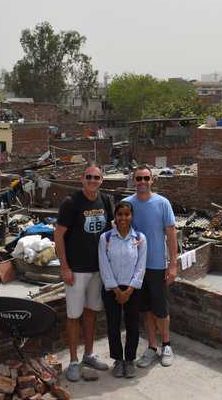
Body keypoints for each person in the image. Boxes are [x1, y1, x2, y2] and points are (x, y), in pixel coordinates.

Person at [54, 163, 113, 381]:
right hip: (76, 271)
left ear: (101, 180)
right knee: (73, 316)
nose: (92, 181)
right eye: (89, 177)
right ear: (81, 179)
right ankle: (73, 361)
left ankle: (89, 354)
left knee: (91, 313)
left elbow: (109, 233)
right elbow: (58, 235)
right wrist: (64, 267)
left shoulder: (106, 200)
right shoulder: (71, 203)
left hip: (98, 269)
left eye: (96, 177)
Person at [123, 165, 178, 369]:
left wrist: (172, 264)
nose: (142, 182)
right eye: (139, 179)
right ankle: (152, 347)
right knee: (145, 309)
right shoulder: (127, 204)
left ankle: (166, 345)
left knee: (161, 309)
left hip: (156, 265)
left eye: (146, 178)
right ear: (133, 180)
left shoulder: (162, 203)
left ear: (152, 180)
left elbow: (171, 234)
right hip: (136, 267)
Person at [98, 201, 147, 378]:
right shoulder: (107, 238)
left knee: (133, 325)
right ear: (115, 216)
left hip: (133, 290)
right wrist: (117, 290)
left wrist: (129, 290)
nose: (123, 218)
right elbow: (104, 264)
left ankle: (130, 360)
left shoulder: (139, 238)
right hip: (112, 289)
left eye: (127, 214)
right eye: (120, 215)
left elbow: (141, 266)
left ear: (131, 216)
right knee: (113, 325)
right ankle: (118, 360)